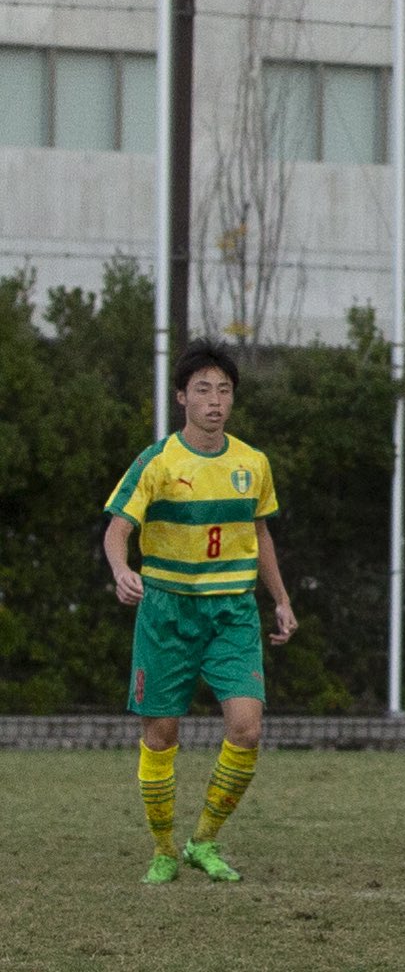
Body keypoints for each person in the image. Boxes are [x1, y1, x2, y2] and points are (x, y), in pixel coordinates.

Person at [103, 337, 297, 885]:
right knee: (161, 736)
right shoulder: (157, 462)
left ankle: (203, 840)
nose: (215, 400)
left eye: (224, 390)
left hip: (232, 611)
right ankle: (164, 849)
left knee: (247, 730)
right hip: (167, 611)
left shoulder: (252, 463)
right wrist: (121, 570)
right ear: (181, 396)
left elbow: (259, 533)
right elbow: (117, 530)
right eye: (204, 390)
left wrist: (281, 599)